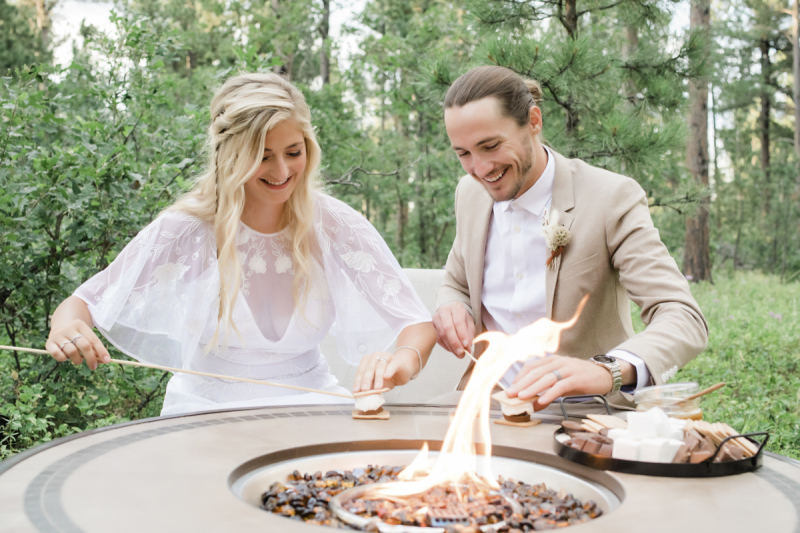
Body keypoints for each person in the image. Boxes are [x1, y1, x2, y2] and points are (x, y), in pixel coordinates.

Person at [45, 72, 436, 416]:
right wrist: (66, 327)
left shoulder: (334, 224)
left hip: (311, 403)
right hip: (205, 412)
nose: (282, 171)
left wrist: (399, 362)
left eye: (293, 152)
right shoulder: (188, 228)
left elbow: (417, 323)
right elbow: (83, 303)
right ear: (230, 156)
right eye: (262, 157)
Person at [433, 66, 708, 410]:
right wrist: (451, 306)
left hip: (584, 409)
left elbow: (682, 315)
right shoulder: (470, 194)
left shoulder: (610, 198)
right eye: (464, 154)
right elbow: (456, 282)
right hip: (484, 400)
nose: (481, 168)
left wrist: (608, 371)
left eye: (491, 146)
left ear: (534, 121)